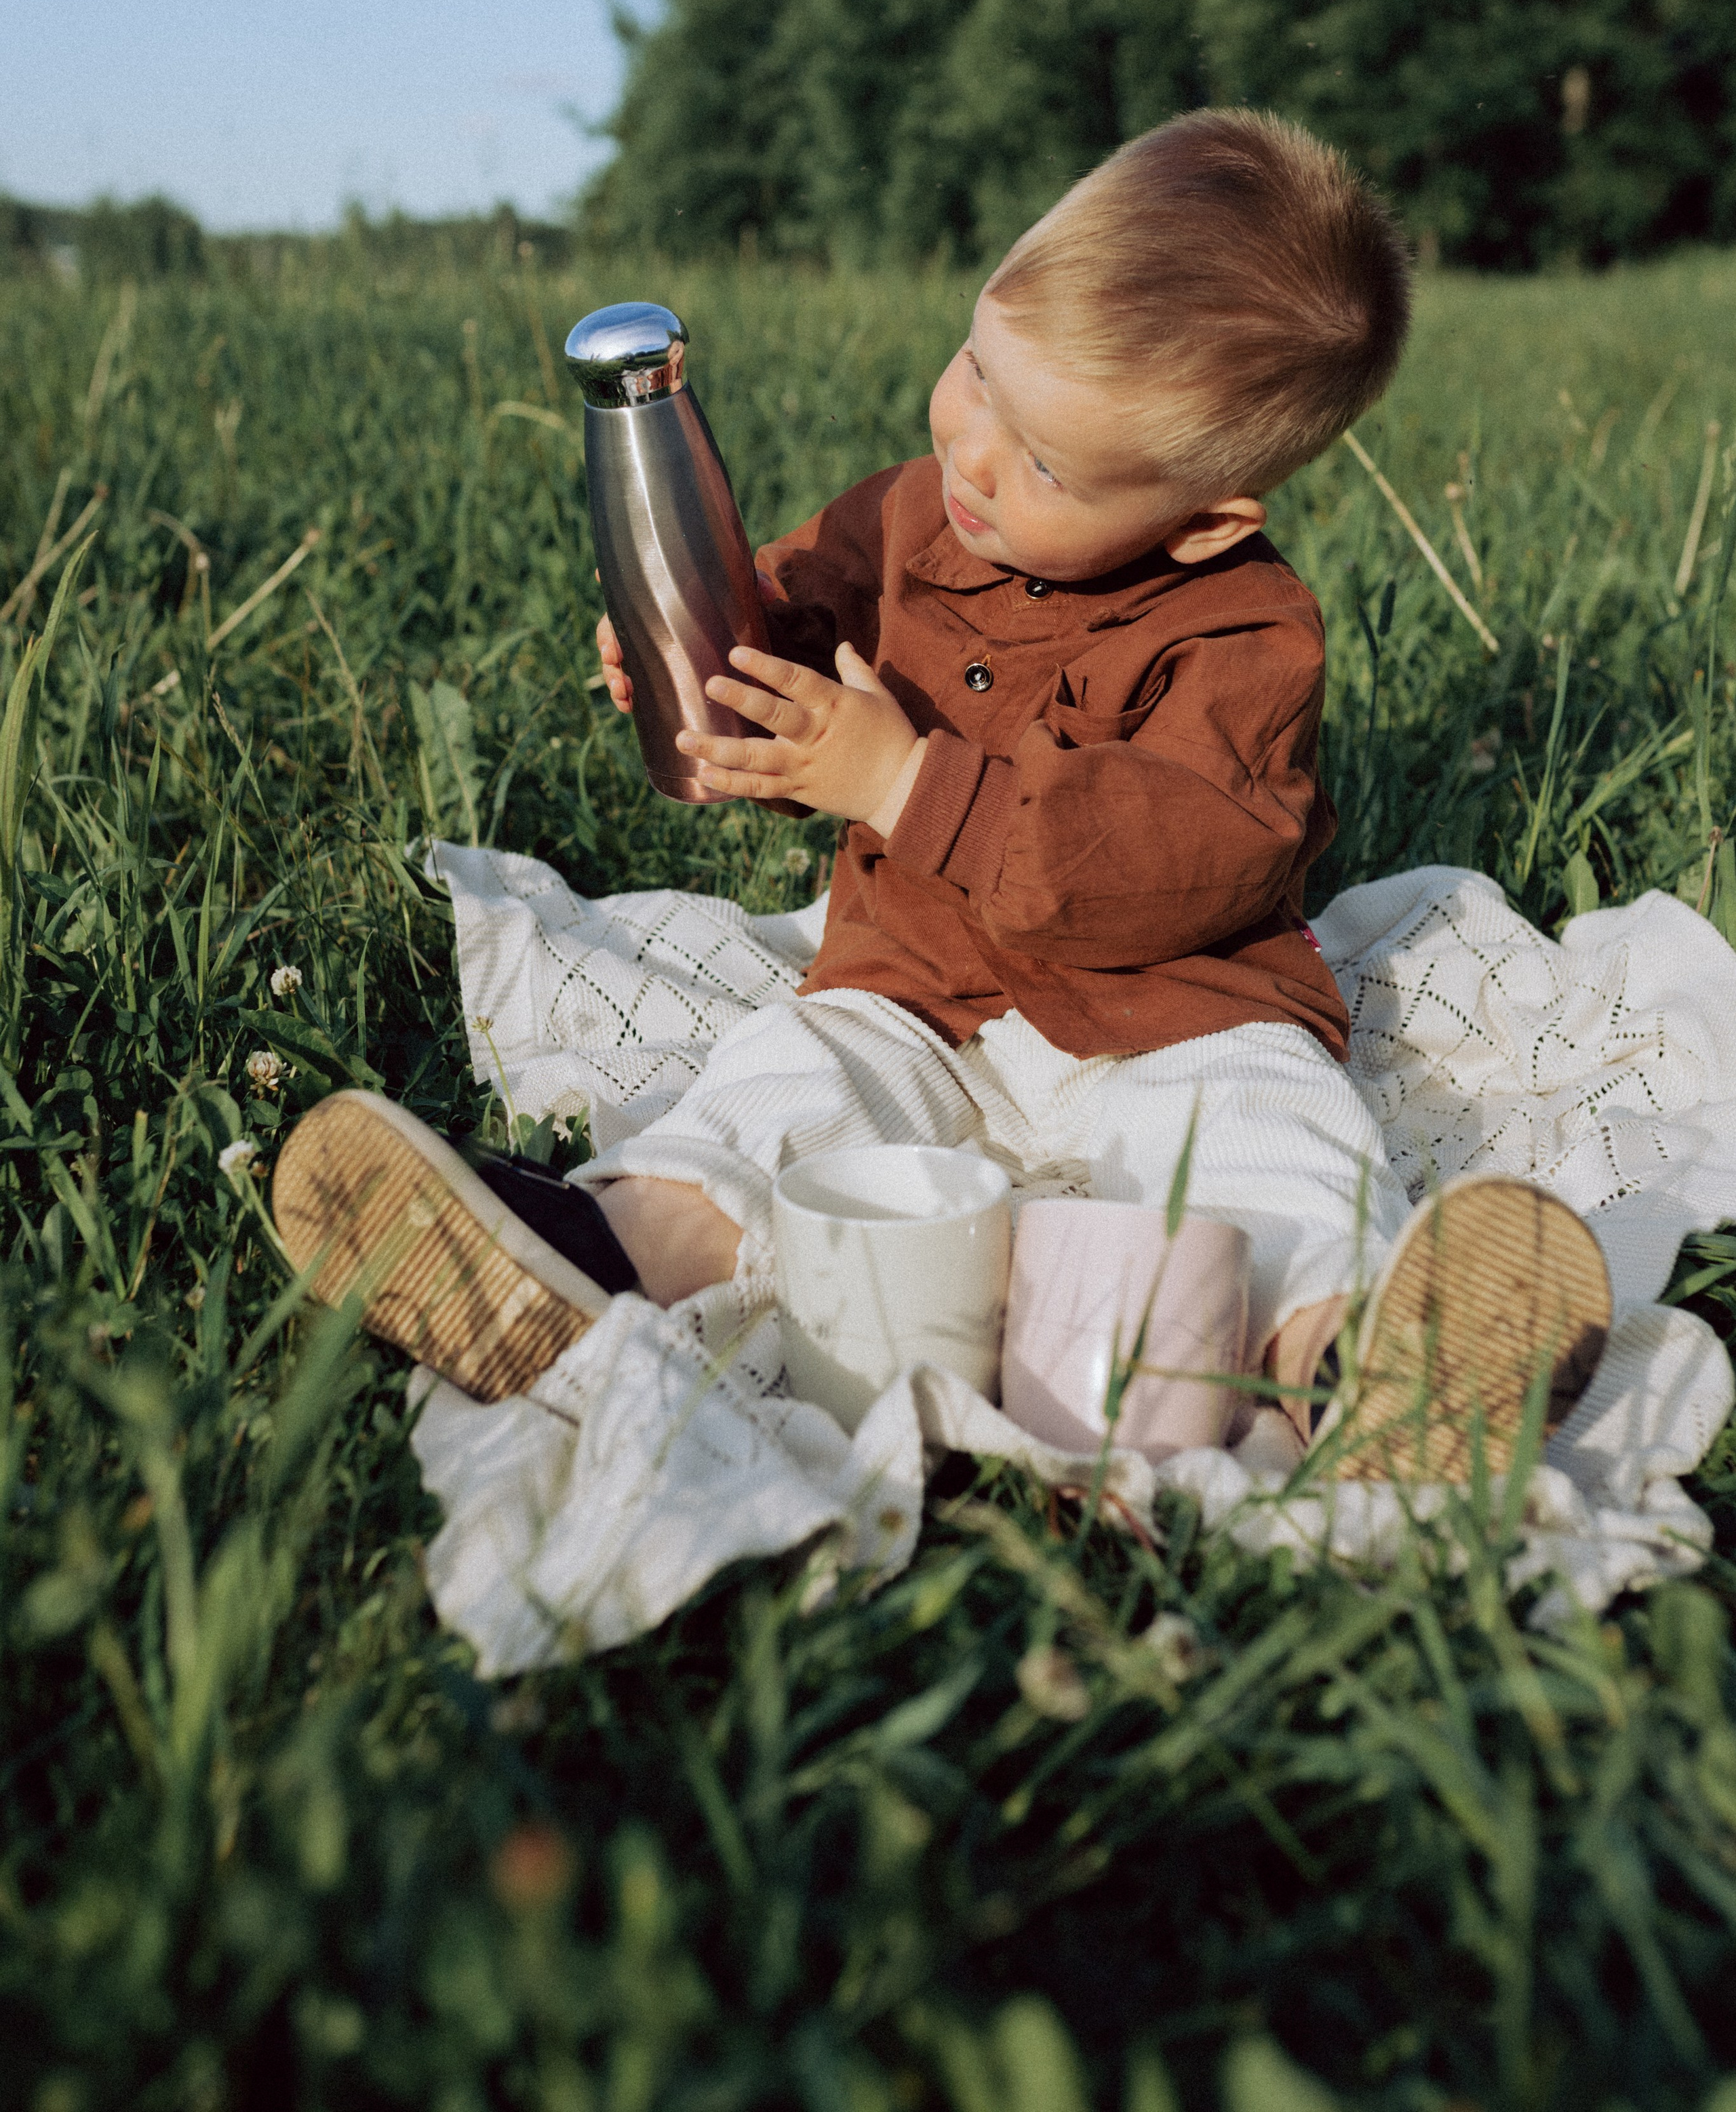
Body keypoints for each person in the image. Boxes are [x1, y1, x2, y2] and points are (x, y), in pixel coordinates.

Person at [273, 110, 1611, 1480]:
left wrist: (906, 781)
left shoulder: (1245, 635)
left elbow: (1180, 860)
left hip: (1176, 1010)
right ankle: (594, 1258)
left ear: (1204, 517)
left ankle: (1355, 1360)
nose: (971, 455)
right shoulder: (908, 515)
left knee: (1269, 1140)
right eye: (977, 372)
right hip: (909, 975)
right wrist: (704, 649)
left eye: (1042, 463)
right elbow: (795, 619)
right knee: (787, 1082)